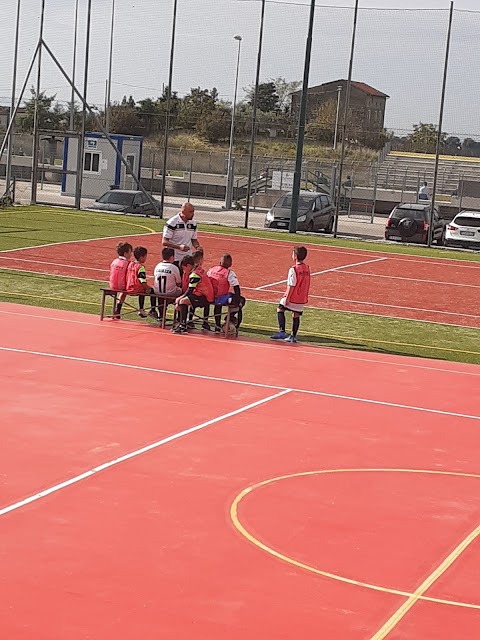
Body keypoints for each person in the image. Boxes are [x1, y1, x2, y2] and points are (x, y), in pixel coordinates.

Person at [271, 246, 311, 344]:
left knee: (280, 308)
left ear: (295, 256)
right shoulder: (307, 268)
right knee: (296, 314)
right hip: (301, 297)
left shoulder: (293, 269)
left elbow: (291, 285)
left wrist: (287, 298)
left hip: (293, 296)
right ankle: (293, 336)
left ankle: (282, 331)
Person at [173, 250, 214, 334]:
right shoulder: (198, 269)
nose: (184, 271)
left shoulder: (194, 274)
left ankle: (183, 325)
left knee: (182, 301)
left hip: (205, 297)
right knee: (182, 300)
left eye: (184, 268)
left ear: (188, 266)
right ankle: (183, 324)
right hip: (201, 294)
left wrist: (179, 299)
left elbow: (189, 291)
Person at [207, 253, 245, 334]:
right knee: (242, 300)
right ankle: (230, 318)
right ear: (230, 264)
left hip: (209, 296)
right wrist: (238, 301)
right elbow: (236, 287)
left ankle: (217, 326)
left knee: (217, 306)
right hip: (221, 297)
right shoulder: (229, 273)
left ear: (220, 262)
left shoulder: (211, 269)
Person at [162, 202, 201, 268]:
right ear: (184, 212)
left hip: (188, 258)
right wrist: (179, 247)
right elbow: (164, 242)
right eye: (191, 212)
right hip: (175, 258)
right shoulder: (172, 222)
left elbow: (194, 239)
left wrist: (197, 247)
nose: (193, 214)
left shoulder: (193, 224)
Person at [126, 246, 157, 318]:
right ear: (141, 257)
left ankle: (141, 309)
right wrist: (147, 287)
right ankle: (152, 310)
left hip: (129, 287)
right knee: (151, 290)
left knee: (143, 290)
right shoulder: (141, 267)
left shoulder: (131, 264)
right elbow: (142, 281)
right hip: (137, 288)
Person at [153, 247, 182, 321]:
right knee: (183, 293)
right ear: (172, 257)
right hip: (170, 293)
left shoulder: (157, 266)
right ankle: (180, 317)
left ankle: (161, 315)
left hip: (158, 292)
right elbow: (179, 283)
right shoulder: (174, 267)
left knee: (161, 293)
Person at [109, 241, 133, 318]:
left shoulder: (114, 261)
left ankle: (117, 309)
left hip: (112, 285)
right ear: (125, 253)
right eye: (130, 252)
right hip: (122, 286)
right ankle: (119, 307)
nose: (131, 254)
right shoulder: (128, 263)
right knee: (126, 289)